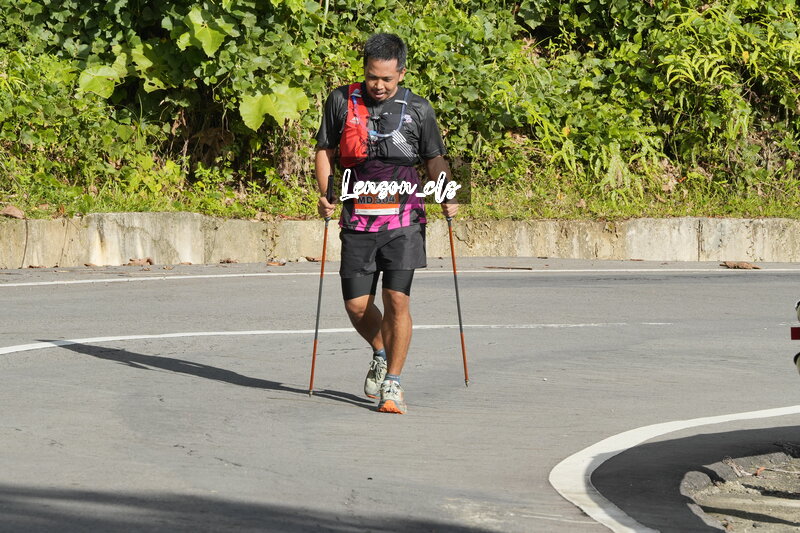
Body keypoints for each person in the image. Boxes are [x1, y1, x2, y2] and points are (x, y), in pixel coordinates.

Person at [314, 33, 458, 414]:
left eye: (387, 79)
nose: (378, 85)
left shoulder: (419, 109)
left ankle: (393, 382)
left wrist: (447, 193)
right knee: (356, 305)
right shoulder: (341, 101)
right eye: (372, 76)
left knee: (397, 300)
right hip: (358, 219)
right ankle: (380, 350)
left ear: (401, 73)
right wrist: (327, 193)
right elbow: (325, 151)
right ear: (364, 69)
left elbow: (434, 158)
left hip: (404, 219)